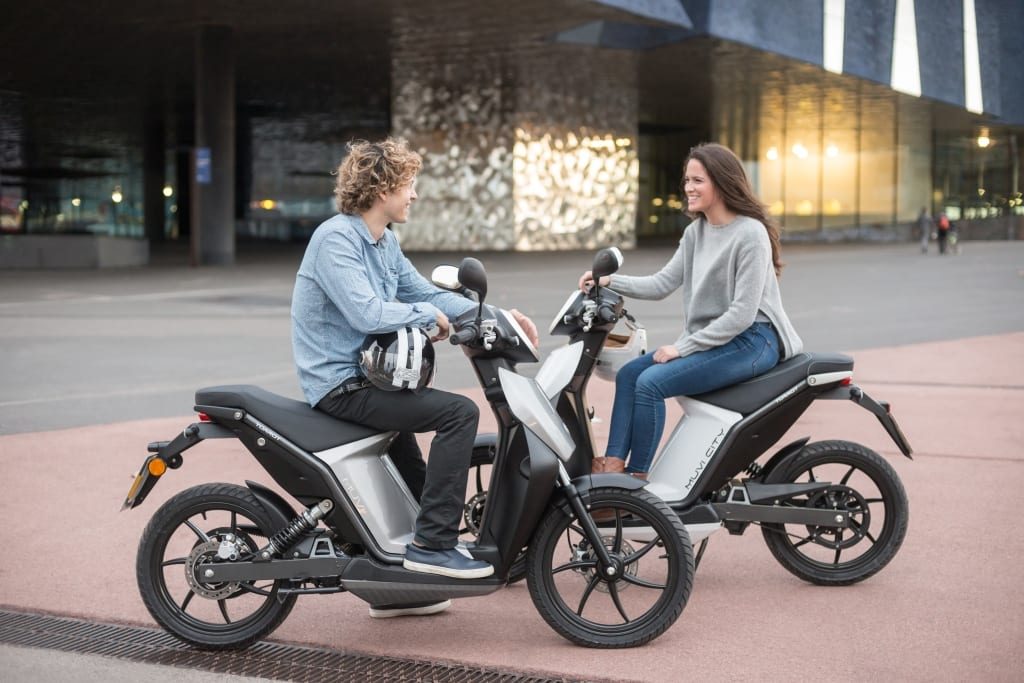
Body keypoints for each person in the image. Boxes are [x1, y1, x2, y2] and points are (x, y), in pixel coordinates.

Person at [290, 138, 538, 617]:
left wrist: (497, 317)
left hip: (374, 381)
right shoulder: (336, 240)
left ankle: (404, 584)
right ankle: (432, 547)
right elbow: (366, 312)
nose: (415, 195)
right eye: (408, 185)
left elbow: (423, 291)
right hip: (341, 385)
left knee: (414, 475)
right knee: (458, 413)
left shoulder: (384, 242)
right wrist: (427, 316)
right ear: (382, 188)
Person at [579, 142, 803, 477]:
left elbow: (742, 314)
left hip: (754, 340)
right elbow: (661, 284)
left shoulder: (750, 234)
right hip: (718, 339)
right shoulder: (695, 233)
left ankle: (637, 482)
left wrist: (682, 347)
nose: (688, 188)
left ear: (722, 183)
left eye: (698, 180)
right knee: (629, 375)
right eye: (687, 180)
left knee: (650, 384)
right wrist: (608, 281)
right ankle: (612, 471)